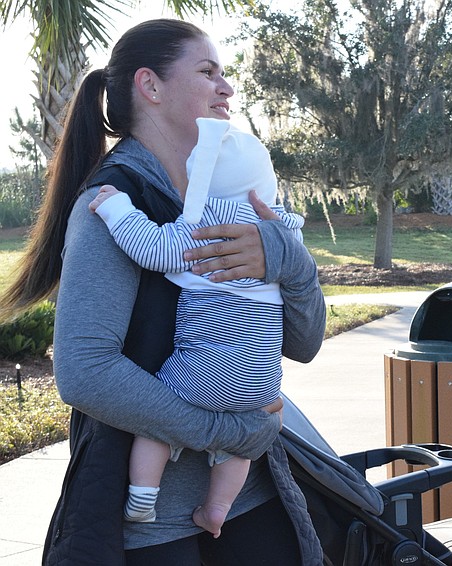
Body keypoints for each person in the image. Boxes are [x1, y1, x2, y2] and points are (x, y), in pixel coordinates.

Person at [0, 19, 326, 565]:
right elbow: (85, 371)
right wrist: (224, 431)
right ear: (150, 86)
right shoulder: (111, 205)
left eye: (225, 74)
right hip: (155, 524)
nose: (227, 88)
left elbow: (305, 341)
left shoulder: (233, 202)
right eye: (207, 72)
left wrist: (286, 257)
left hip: (252, 497)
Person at [88, 116, 306, 538]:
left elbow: (151, 248)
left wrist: (116, 207)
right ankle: (217, 509)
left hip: (203, 370)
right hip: (262, 380)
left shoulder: (206, 226)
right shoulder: (281, 234)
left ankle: (144, 497)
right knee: (237, 445)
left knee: (155, 422)